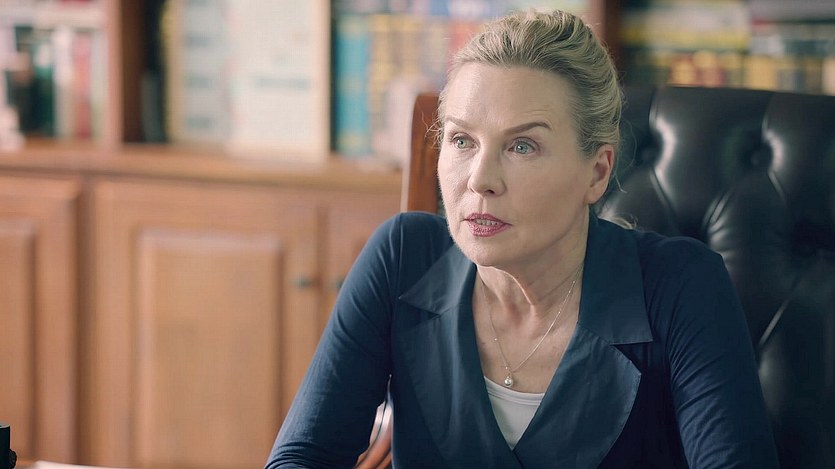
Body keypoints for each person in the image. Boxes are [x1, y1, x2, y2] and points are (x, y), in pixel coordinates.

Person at [265, 9, 779, 468]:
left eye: (523, 146)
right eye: (462, 140)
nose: (479, 179)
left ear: (597, 172)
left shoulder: (680, 283)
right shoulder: (403, 256)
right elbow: (304, 456)